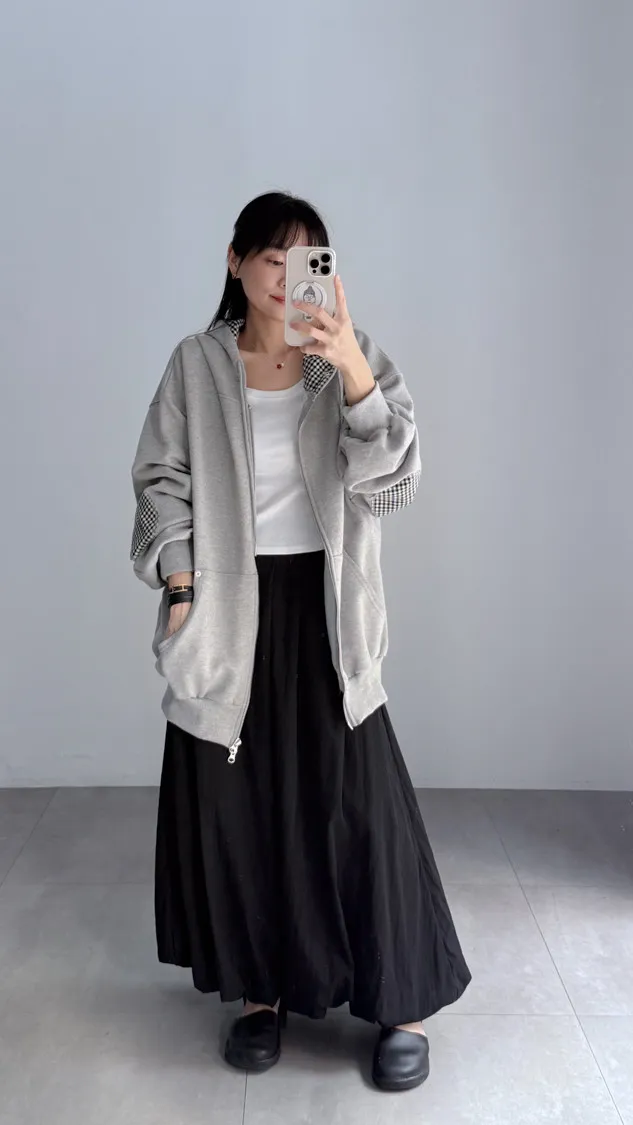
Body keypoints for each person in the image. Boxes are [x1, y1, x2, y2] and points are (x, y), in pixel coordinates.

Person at [130, 191, 471, 1092]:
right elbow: (160, 477)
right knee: (243, 805)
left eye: (307, 259)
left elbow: (391, 482)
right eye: (272, 258)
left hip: (325, 602)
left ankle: (402, 1002)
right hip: (228, 606)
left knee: (358, 805)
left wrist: (351, 367)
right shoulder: (196, 363)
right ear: (235, 262)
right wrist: (179, 581)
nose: (288, 277)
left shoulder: (345, 358)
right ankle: (261, 991)